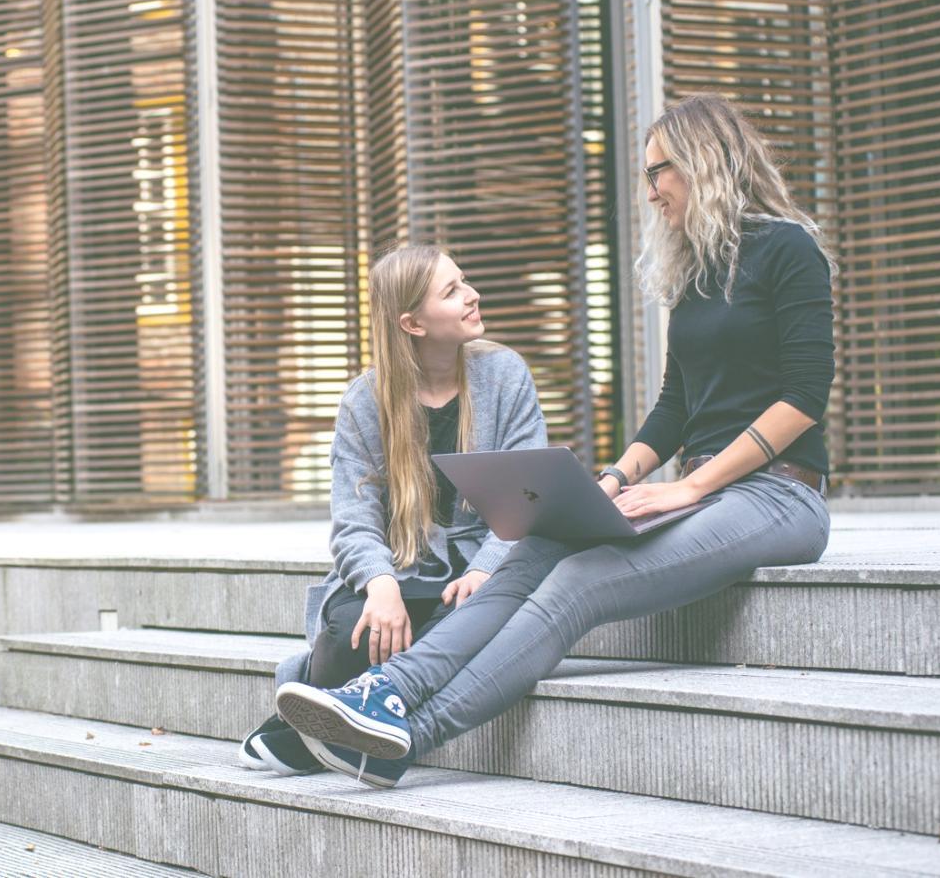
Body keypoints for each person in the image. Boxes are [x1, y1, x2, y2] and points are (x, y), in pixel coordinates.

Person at [275, 93, 835, 788]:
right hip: (703, 494)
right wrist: (609, 482)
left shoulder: (789, 249)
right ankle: (386, 691)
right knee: (540, 545)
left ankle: (409, 734)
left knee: (577, 582)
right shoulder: (697, 275)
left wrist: (691, 484)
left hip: (779, 496)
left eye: (659, 169)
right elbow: (674, 408)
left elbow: (805, 397)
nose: (650, 186)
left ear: (705, 161)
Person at [239, 244, 548, 782]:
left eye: (465, 280)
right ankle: (328, 712)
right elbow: (353, 518)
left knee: (466, 622)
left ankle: (302, 728)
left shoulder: (504, 373)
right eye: (452, 291)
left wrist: (485, 569)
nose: (473, 295)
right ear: (412, 323)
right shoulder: (365, 399)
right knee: (350, 628)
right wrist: (380, 585)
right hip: (401, 565)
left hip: (481, 563)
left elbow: (529, 493)